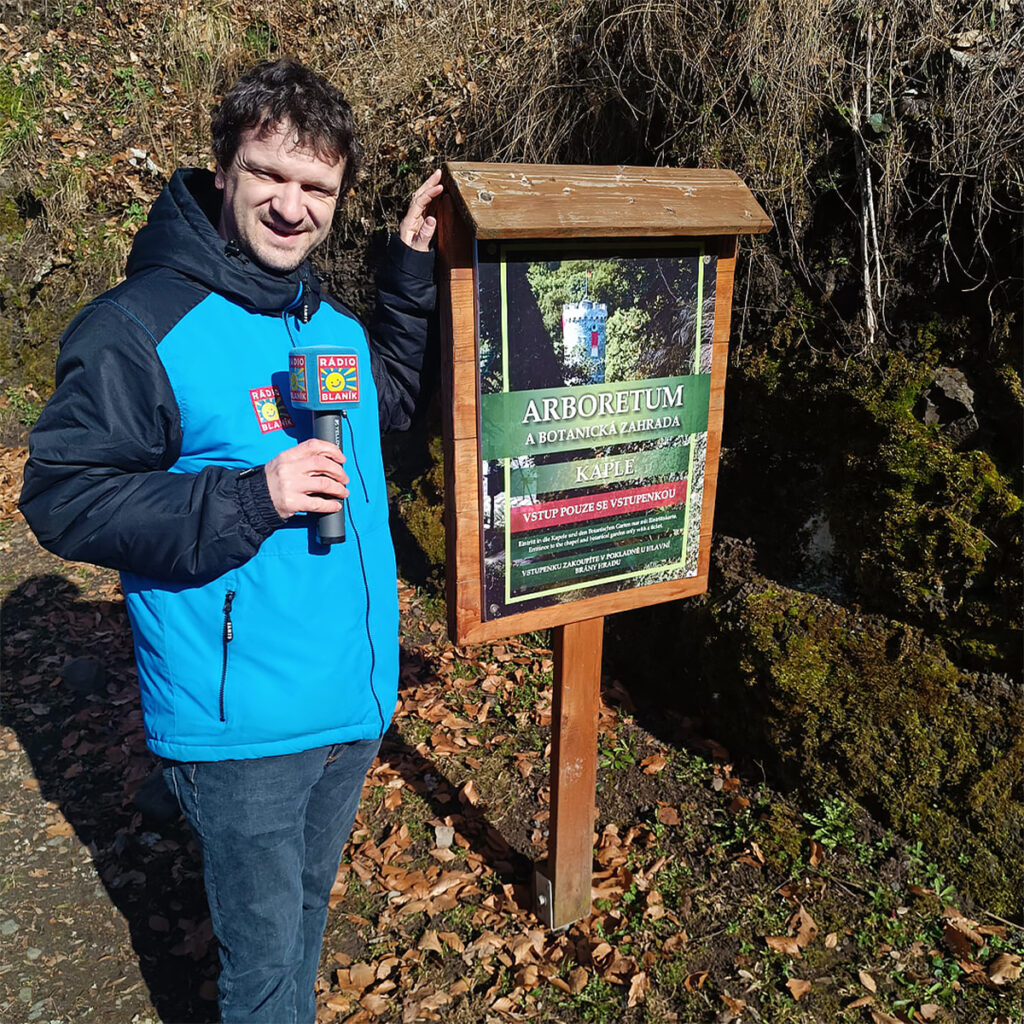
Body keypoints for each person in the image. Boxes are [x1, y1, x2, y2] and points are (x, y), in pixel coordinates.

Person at [19, 58, 443, 1023]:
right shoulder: (139, 326)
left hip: (351, 699)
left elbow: (391, 406)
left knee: (307, 913)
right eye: (269, 175)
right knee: (261, 964)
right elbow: (64, 495)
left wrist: (409, 269)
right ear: (223, 172)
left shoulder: (328, 324)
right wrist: (253, 497)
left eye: (317, 187)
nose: (292, 207)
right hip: (240, 728)